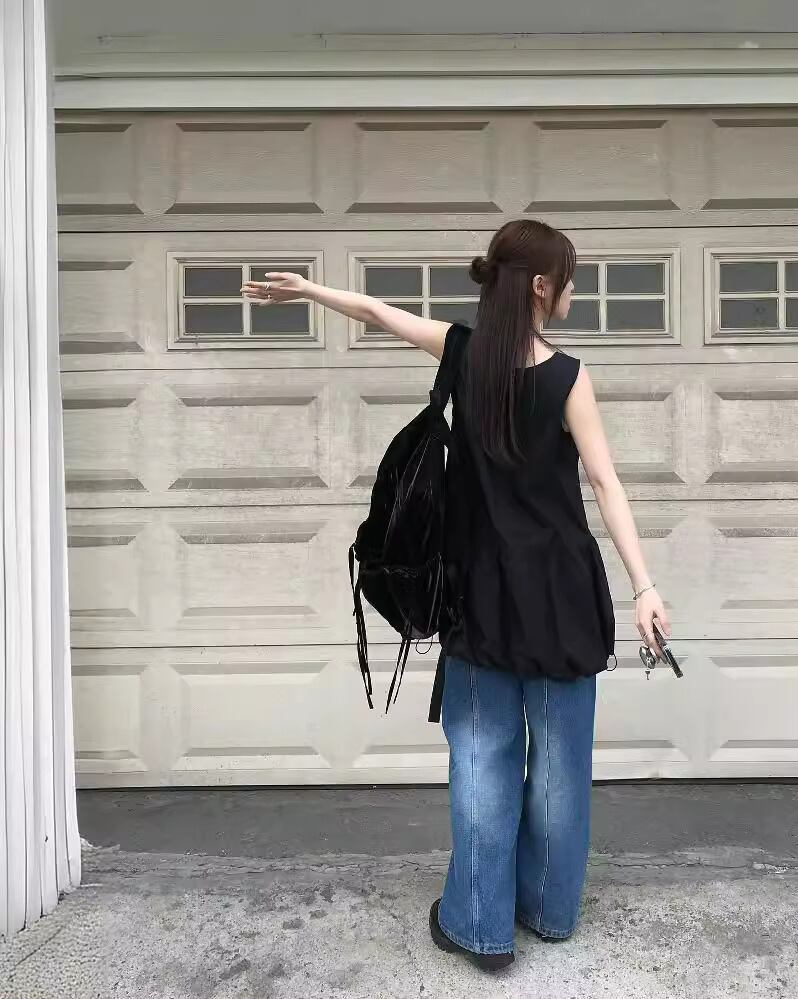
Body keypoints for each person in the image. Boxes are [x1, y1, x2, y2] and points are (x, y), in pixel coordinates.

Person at [242, 219, 670, 972]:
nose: (574, 289)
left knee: (481, 761)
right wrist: (644, 585)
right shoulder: (568, 376)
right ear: (542, 287)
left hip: (481, 595)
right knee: (561, 768)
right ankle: (549, 912)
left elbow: (378, 313)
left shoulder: (462, 351)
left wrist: (308, 290)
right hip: (562, 596)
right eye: (569, 277)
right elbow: (605, 484)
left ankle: (479, 926)